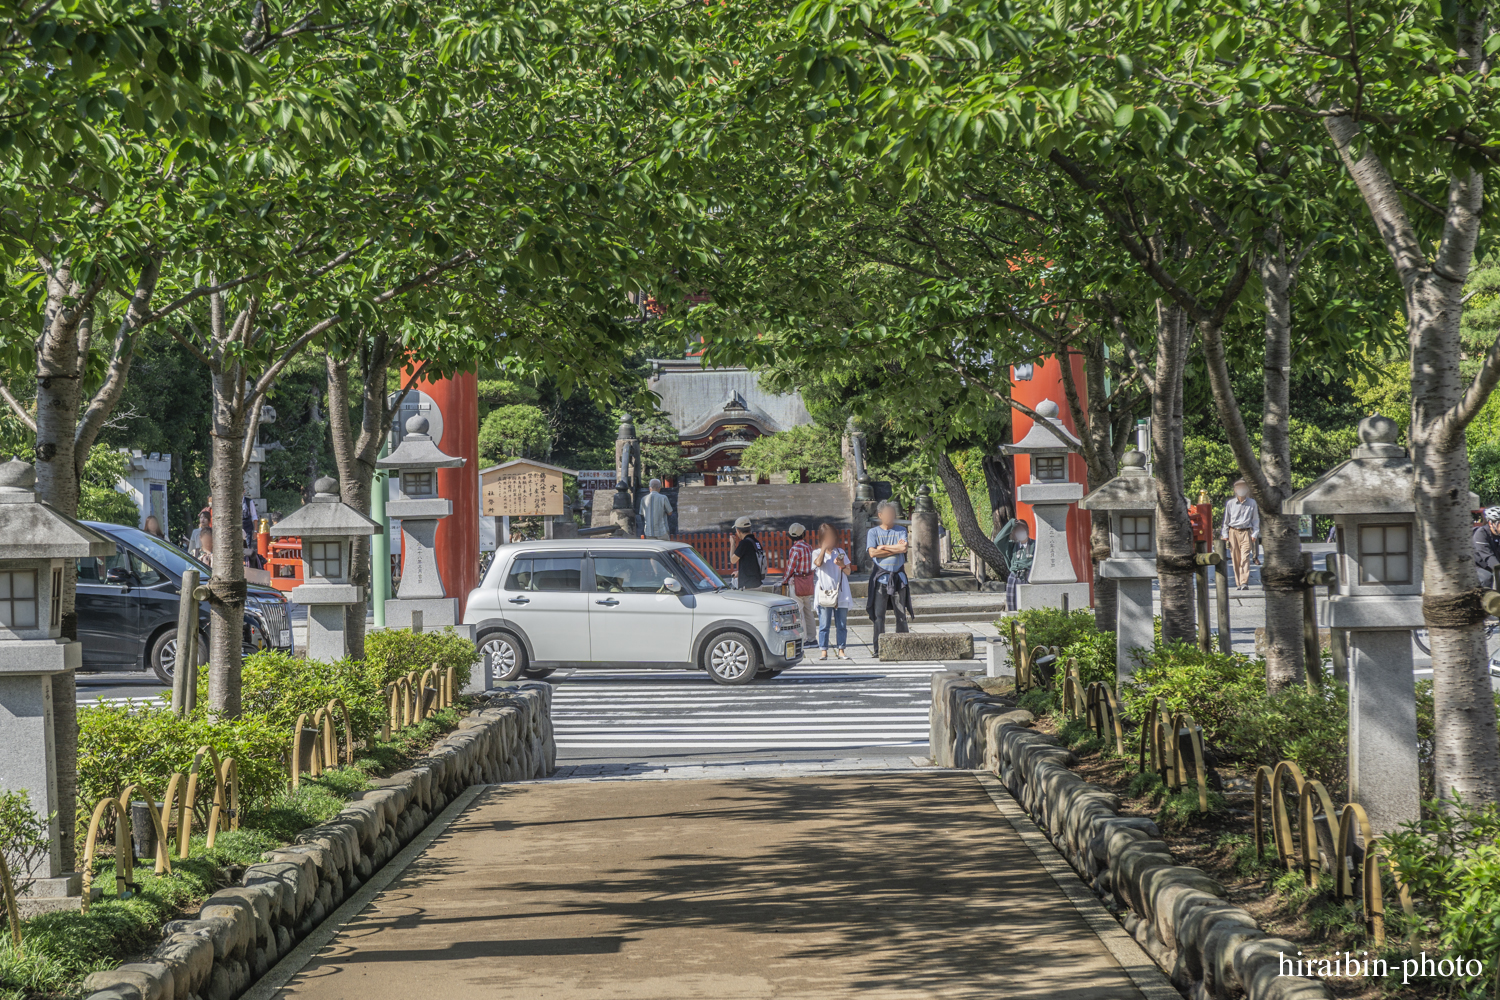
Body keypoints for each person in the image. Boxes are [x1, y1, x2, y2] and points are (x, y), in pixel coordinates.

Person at [864, 500, 912, 650]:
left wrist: (883, 547)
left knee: (901, 615)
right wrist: (894, 548)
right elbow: (872, 552)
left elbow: (903, 548)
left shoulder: (901, 530)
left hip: (899, 579)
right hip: (880, 579)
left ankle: (903, 647)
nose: (891, 516)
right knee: (879, 617)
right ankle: (879, 648)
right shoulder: (873, 532)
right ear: (880, 515)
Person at [812, 523, 852, 659]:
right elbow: (817, 564)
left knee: (841, 624)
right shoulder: (816, 553)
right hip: (825, 593)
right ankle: (824, 650)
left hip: (840, 592)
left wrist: (841, 565)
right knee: (824, 624)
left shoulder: (840, 552)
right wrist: (823, 549)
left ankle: (841, 649)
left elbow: (848, 571)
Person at [1220, 479, 1261, 590]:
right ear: (1235, 490)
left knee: (1245, 557)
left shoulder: (1252, 503)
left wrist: (1255, 533)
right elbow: (1226, 521)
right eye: (1239, 487)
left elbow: (1255, 519)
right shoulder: (1230, 503)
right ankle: (1238, 583)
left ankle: (1244, 582)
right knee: (1235, 558)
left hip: (1246, 531)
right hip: (1233, 531)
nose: (1241, 489)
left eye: (1243, 487)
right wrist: (1225, 534)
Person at [993, 517, 1035, 612]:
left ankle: (1027, 626)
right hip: (1014, 577)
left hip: (1028, 577)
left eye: (1022, 530)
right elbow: (997, 541)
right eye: (1017, 531)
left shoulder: (1034, 545)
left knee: (1028, 606)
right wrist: (1011, 524)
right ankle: (1015, 626)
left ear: (1027, 531)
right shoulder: (1012, 546)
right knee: (1012, 607)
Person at [784, 523, 816, 638]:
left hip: (797, 583)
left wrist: (784, 580)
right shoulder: (809, 547)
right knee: (808, 611)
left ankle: (804, 639)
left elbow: (790, 568)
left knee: (799, 612)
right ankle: (812, 638)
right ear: (803, 534)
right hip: (808, 582)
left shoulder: (795, 549)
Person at [729, 516, 765, 590]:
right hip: (757, 583)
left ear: (738, 531)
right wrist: (740, 572)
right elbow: (753, 564)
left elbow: (733, 560)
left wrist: (732, 544)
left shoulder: (744, 543)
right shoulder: (756, 542)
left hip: (748, 586)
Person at [1474, 507, 1500, 588]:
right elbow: (1488, 557)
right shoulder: (1481, 534)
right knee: (1487, 578)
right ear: (1490, 523)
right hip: (1477, 565)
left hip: (1492, 564)